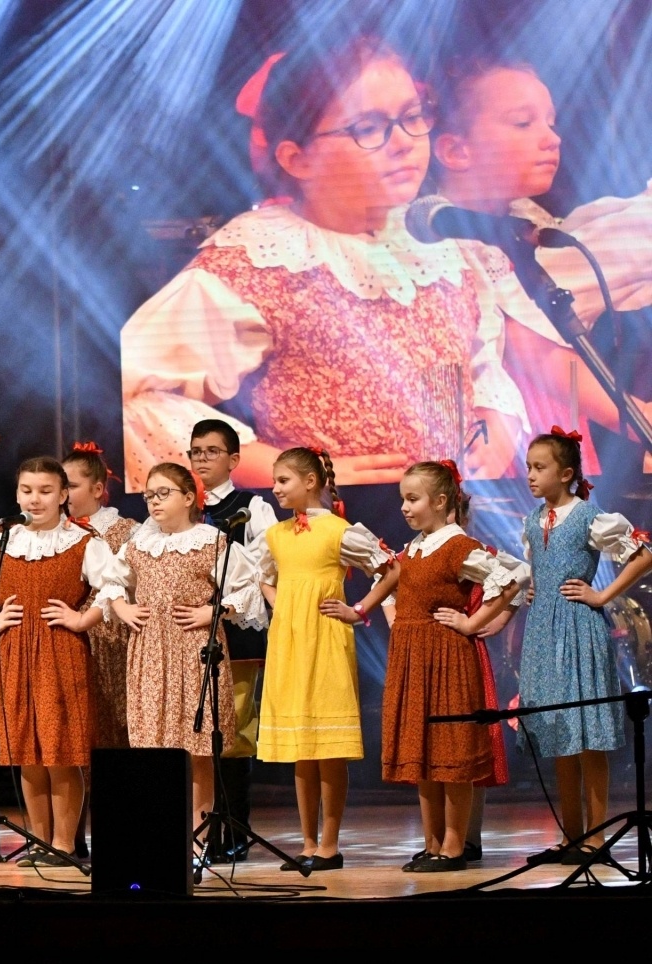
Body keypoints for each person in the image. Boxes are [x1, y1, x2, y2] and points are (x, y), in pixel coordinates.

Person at [119, 36, 524, 488]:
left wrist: (498, 419)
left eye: (412, 117)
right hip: (336, 519)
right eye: (367, 128)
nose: (404, 143)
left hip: (451, 512)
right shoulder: (259, 259)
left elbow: (482, 361)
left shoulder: (442, 242)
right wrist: (279, 468)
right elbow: (139, 397)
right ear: (298, 159)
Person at [430, 55, 652, 476]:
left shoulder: (530, 228)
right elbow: (527, 347)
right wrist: (634, 414)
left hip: (550, 420)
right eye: (523, 123)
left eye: (550, 122)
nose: (552, 139)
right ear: (456, 150)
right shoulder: (446, 242)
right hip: (495, 438)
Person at [335, 460, 526, 872]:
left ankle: (454, 846)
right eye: (403, 499)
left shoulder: (459, 546)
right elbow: (389, 584)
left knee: (451, 752)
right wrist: (361, 612)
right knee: (423, 751)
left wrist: (472, 623)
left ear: (440, 502)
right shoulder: (415, 548)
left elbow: (511, 580)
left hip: (447, 657)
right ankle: (433, 842)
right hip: (413, 657)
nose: (404, 507)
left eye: (413, 499)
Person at [0, 456, 123, 866]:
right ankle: (38, 841)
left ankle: (64, 845)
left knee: (60, 751)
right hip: (12, 652)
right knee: (27, 752)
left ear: (64, 494)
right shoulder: (0, 540)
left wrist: (82, 619)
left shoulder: (82, 542)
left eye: (46, 491)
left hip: (60, 651)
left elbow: (115, 586)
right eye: (27, 490)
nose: (35, 499)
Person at [514, 429, 652, 864]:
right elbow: (538, 569)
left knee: (588, 733)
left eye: (540, 467)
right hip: (543, 632)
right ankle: (571, 836)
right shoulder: (532, 520)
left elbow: (643, 554)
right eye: (529, 467)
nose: (531, 475)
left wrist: (601, 595)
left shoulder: (589, 516)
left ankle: (595, 837)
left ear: (566, 473)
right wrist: (535, 589)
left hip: (578, 629)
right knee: (560, 733)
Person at [255, 446, 394, 870]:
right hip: (289, 642)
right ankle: (308, 843)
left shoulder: (338, 530)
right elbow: (262, 576)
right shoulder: (276, 535)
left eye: (284, 480)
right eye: (275, 481)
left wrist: (359, 609)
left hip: (326, 638)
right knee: (302, 746)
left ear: (310, 482)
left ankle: (330, 845)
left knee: (327, 745)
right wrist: (282, 603)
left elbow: (390, 569)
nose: (276, 488)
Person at [110, 463, 265, 835]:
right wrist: (122, 607)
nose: (154, 501)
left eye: (163, 493)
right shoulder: (139, 545)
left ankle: (198, 840)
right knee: (153, 746)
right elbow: (111, 581)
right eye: (149, 495)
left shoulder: (210, 541)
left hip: (195, 649)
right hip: (150, 652)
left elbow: (246, 588)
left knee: (197, 747)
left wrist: (213, 611)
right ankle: (160, 834)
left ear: (189, 498)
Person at [190, 419, 278, 859]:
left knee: (234, 731)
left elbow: (264, 568)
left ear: (234, 459)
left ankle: (234, 829)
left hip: (237, 633)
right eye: (195, 452)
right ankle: (200, 829)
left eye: (211, 451)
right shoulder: (182, 507)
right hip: (188, 636)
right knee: (197, 734)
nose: (201, 459)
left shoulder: (252, 507)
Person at [62, 442, 138, 749]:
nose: (64, 493)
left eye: (71, 486)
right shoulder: (57, 531)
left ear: (97, 489)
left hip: (114, 637)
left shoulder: (126, 531)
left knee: (118, 717)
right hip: (71, 636)